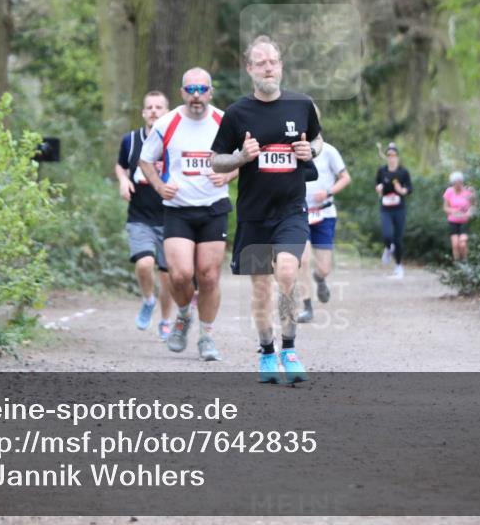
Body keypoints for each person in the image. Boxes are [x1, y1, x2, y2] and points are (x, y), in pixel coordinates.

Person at [210, 35, 322, 384]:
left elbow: (317, 140)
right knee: (260, 291)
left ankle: (289, 348)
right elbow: (216, 161)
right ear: (250, 69)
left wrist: (311, 152)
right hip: (254, 215)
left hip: (291, 210)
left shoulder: (302, 105)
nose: (268, 67)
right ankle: (268, 352)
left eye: (273, 61)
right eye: (261, 63)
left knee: (288, 272)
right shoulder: (236, 113)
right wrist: (241, 158)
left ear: (281, 66)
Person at [138, 68, 236, 361]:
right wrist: (159, 186)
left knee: (208, 276)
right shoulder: (167, 123)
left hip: (213, 207)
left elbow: (243, 157)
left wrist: (228, 175)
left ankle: (206, 337)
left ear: (210, 92)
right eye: (190, 90)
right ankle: (183, 314)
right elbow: (145, 160)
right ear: (182, 92)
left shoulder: (224, 121)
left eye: (201, 90)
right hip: (177, 209)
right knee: (180, 275)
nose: (196, 96)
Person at [115, 91, 174, 338]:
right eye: (149, 107)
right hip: (140, 215)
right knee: (144, 263)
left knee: (168, 274)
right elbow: (120, 164)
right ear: (143, 113)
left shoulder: (175, 141)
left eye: (159, 107)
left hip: (172, 217)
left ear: (167, 113)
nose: (153, 111)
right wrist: (122, 180)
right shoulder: (131, 140)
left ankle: (166, 319)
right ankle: (148, 300)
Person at [297, 131, 351, 324]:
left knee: (324, 268)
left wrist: (328, 192)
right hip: (300, 213)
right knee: (302, 260)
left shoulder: (328, 151)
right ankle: (307, 306)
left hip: (324, 214)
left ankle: (319, 278)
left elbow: (345, 177)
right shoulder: (294, 149)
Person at [375, 143, 412, 279]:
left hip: (399, 208)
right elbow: (377, 185)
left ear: (397, 157)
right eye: (389, 155)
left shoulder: (403, 172)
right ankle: (388, 248)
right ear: (387, 157)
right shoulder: (382, 171)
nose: (391, 158)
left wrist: (402, 190)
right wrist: (378, 188)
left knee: (398, 239)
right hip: (386, 208)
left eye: (394, 155)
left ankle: (398, 267)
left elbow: (409, 188)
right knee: (387, 235)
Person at [443, 171, 476, 262]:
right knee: (455, 245)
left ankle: (465, 263)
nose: (458, 185)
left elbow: (473, 205)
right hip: (453, 221)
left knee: (463, 243)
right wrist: (453, 210)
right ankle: (457, 266)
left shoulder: (468, 191)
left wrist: (470, 212)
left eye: (459, 182)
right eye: (455, 183)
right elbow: (445, 208)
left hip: (464, 221)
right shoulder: (449, 192)